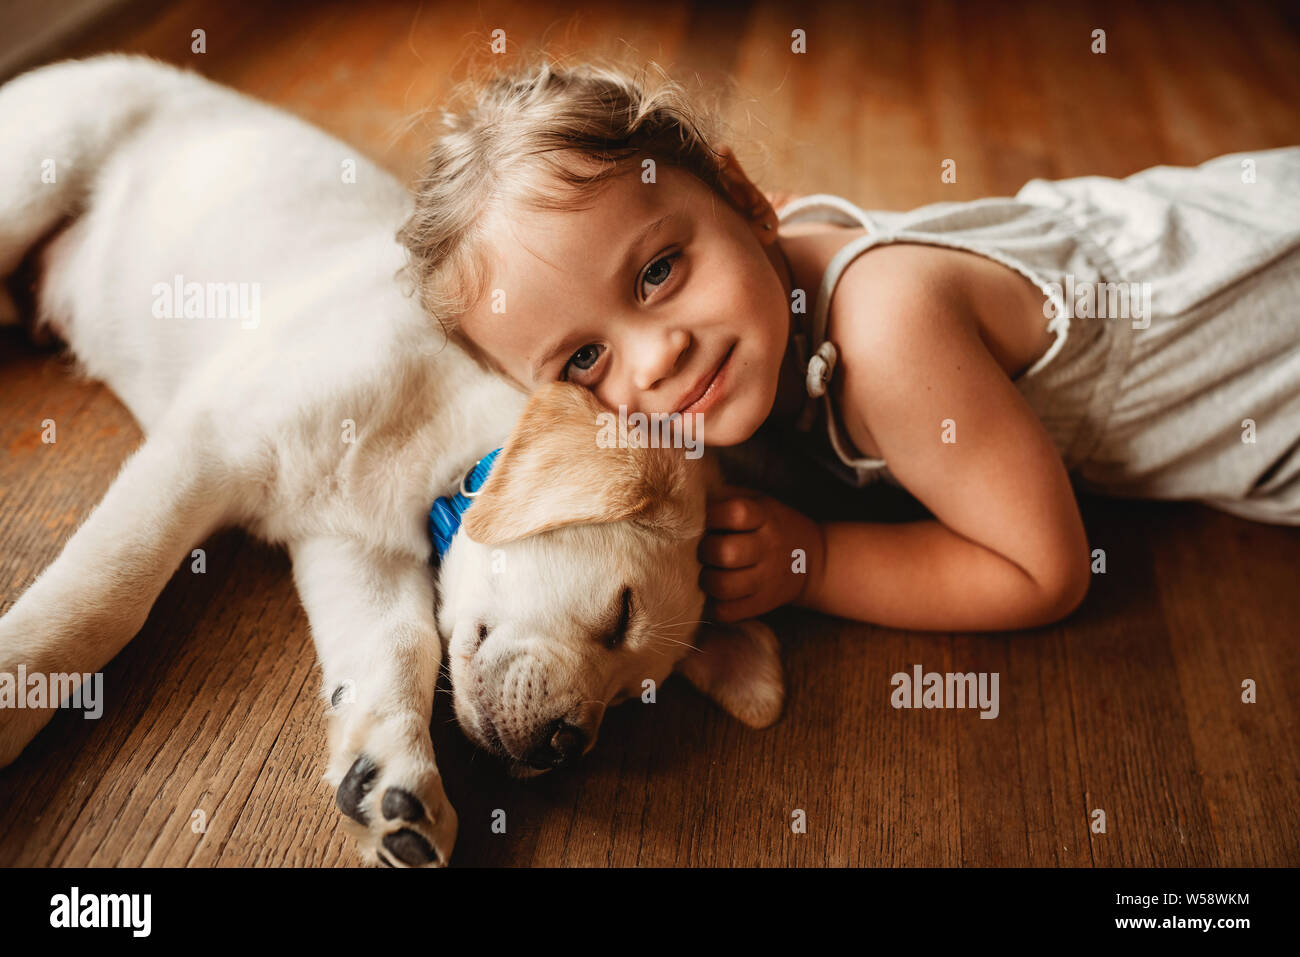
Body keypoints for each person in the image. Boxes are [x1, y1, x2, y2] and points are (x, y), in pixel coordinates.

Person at [398, 57, 1300, 632]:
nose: (657, 357)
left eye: (658, 271)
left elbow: (1045, 571)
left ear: (746, 200)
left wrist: (814, 560)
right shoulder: (763, 273)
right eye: (583, 360)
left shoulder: (889, 335)